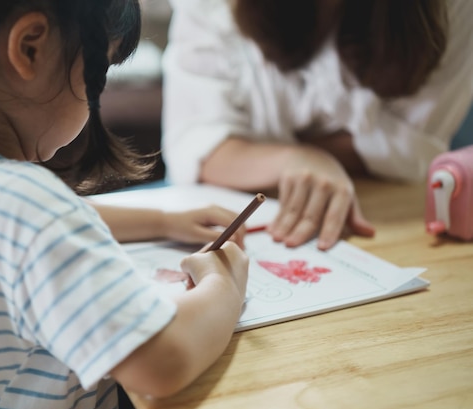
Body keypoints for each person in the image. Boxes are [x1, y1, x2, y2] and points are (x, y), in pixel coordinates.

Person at [0, 1, 250, 409]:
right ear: (30, 48)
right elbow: (161, 363)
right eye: (99, 74)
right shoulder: (24, 206)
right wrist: (225, 283)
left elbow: (29, 229)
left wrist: (163, 220)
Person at [161, 0, 473, 250]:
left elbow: (411, 150)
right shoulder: (212, 8)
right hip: (232, 211)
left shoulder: (449, 11)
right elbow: (195, 146)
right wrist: (298, 158)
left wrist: (253, 155)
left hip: (388, 214)